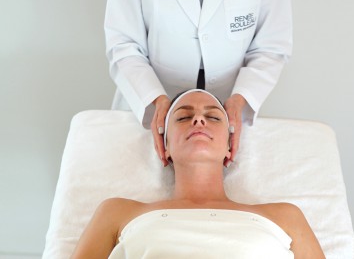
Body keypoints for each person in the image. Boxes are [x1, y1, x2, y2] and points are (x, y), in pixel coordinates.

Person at [71, 90, 325, 258]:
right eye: (183, 118)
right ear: (165, 146)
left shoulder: (285, 216)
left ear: (230, 145)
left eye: (213, 117)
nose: (199, 121)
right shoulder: (117, 212)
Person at [104, 0, 293, 168]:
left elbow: (271, 47)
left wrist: (241, 98)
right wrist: (155, 98)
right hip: (149, 97)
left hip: (232, 104)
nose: (198, 121)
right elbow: (124, 45)